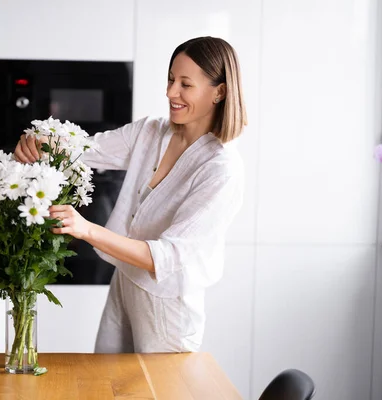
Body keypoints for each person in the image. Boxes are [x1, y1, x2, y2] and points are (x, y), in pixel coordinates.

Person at [14, 36, 247, 353]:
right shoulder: (152, 132)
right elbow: (84, 149)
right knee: (108, 384)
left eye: (185, 84)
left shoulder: (220, 169)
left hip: (168, 307)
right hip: (125, 283)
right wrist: (38, 142)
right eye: (170, 80)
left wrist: (87, 229)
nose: (170, 93)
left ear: (219, 92)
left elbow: (164, 258)